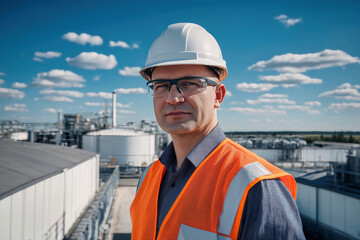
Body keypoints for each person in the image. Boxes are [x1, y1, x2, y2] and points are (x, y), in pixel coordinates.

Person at [130, 22, 305, 240]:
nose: (173, 98)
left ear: (219, 96)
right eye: (161, 86)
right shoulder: (149, 177)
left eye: (190, 84)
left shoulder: (256, 185)